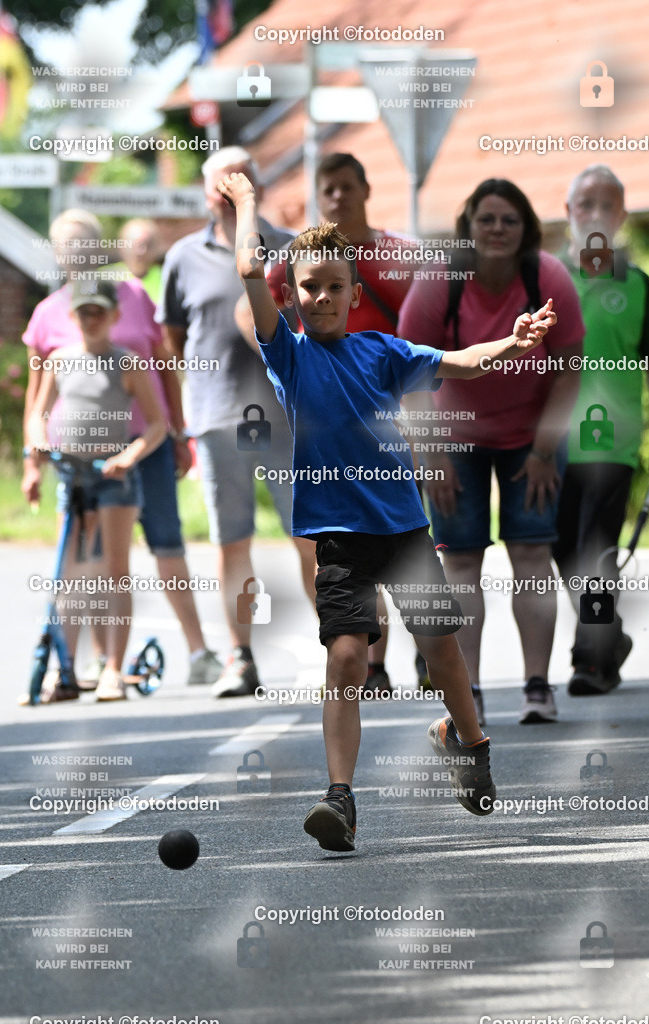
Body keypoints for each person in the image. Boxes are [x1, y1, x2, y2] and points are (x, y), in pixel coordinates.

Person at [219, 169, 558, 851]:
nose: (320, 297)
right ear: (291, 295)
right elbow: (251, 268)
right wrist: (248, 203)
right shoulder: (288, 356)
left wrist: (512, 344)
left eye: (333, 286)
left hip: (404, 530)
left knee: (441, 651)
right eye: (308, 287)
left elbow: (459, 361)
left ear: (353, 293)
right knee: (346, 657)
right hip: (338, 538)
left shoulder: (382, 352)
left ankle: (468, 743)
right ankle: (339, 799)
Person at [237, 151, 426, 697]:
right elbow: (249, 304)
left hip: (393, 414)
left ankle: (423, 653)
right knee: (354, 545)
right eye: (329, 188)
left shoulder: (399, 254)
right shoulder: (303, 259)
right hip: (328, 418)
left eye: (347, 185)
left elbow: (431, 330)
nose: (338, 196)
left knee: (400, 539)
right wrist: (290, 366)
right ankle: (372, 662)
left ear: (367, 190)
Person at [398, 179, 585, 726]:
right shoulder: (441, 280)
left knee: (532, 554)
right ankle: (470, 692)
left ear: (526, 229)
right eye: (486, 219)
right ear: (468, 227)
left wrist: (545, 451)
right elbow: (410, 372)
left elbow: (570, 369)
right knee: (460, 561)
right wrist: (432, 456)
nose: (497, 229)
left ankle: (537, 687)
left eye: (509, 220)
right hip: (454, 436)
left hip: (532, 435)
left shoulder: (547, 278)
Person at [22, 209, 223, 688]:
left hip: (145, 444)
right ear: (57, 253)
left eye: (84, 244)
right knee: (89, 558)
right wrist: (33, 458)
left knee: (166, 541)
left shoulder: (132, 296)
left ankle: (199, 652)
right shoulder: (48, 313)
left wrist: (178, 434)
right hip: (81, 455)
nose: (76, 254)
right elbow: (37, 398)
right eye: (67, 246)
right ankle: (99, 661)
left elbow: (164, 366)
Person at [157, 146, 317, 699]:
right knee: (232, 542)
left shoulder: (292, 249)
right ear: (205, 193)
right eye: (219, 182)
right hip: (217, 416)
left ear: (259, 187)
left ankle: (338, 652)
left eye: (240, 179)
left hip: (287, 418)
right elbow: (173, 340)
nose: (229, 190)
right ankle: (241, 657)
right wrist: (186, 413)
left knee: (310, 537)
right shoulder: (182, 257)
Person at [553, 165, 649, 695]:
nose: (597, 214)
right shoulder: (547, 279)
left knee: (598, 552)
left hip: (614, 442)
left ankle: (592, 660)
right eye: (587, 204)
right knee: (561, 549)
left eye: (608, 205)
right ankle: (612, 635)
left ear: (623, 216)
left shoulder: (639, 284)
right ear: (569, 213)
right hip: (552, 442)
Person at [27, 279, 167, 701]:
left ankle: (113, 670)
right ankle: (65, 670)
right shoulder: (60, 360)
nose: (91, 320)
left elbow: (157, 425)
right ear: (74, 317)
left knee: (113, 571)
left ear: (114, 316)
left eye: (99, 312)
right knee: (70, 575)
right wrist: (38, 448)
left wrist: (129, 456)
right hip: (72, 475)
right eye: (84, 312)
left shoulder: (127, 362)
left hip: (113, 476)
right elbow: (37, 415)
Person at [111, 218, 164, 303]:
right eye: (137, 245)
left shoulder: (165, 277)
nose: (142, 252)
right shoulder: (107, 277)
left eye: (148, 245)